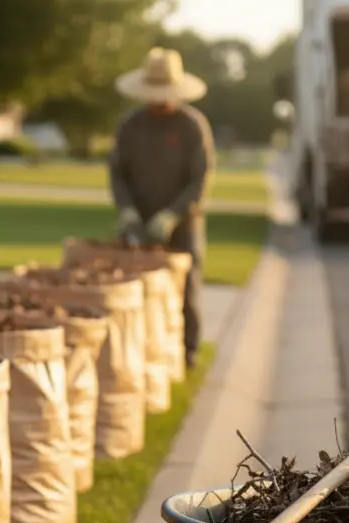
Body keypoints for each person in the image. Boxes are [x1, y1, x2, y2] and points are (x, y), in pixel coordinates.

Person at [109, 47, 215, 370]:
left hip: (182, 222)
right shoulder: (130, 125)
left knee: (186, 289)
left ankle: (188, 351)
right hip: (139, 220)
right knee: (134, 291)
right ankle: (144, 355)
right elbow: (117, 172)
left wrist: (173, 214)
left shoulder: (191, 125)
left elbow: (200, 179)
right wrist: (127, 210)